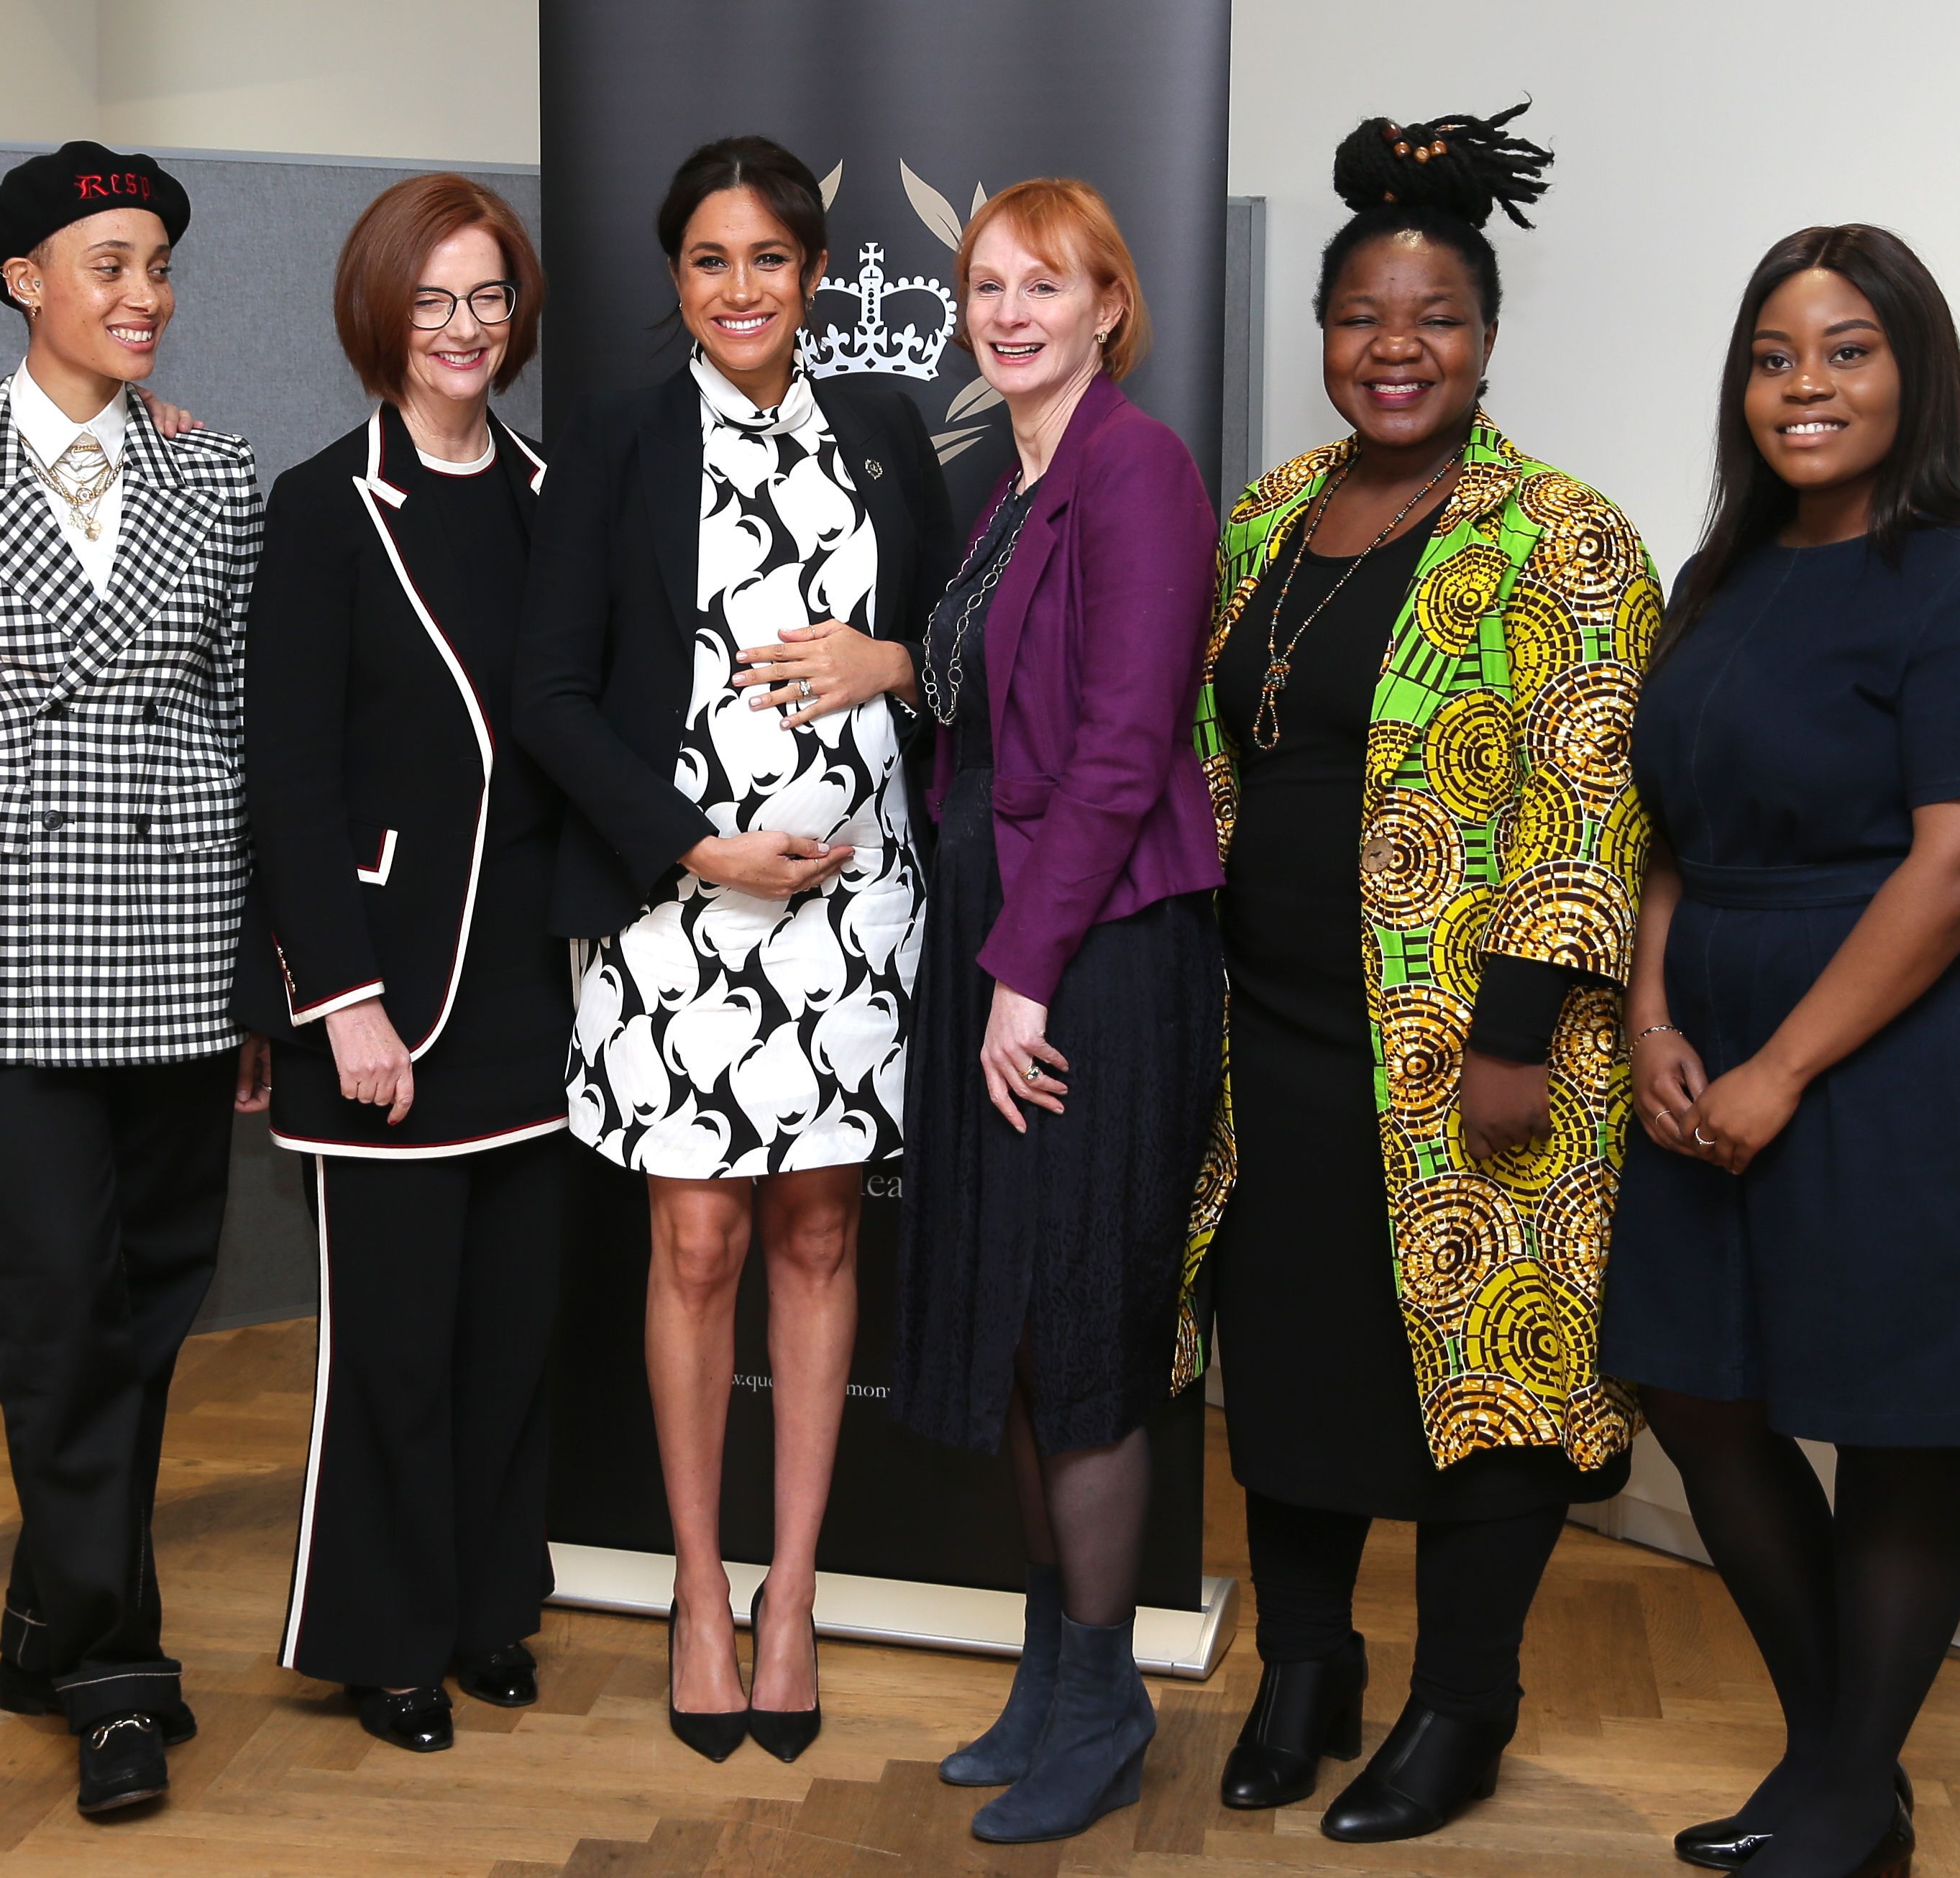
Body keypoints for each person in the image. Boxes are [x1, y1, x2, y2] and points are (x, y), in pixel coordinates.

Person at [1187, 106, 1656, 1843]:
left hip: (1469, 1044)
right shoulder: (1268, 514)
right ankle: (1307, 1668)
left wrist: (1520, 1029)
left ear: (1486, 338)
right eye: (1365, 318)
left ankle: (1466, 1699)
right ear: (1324, 334)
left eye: (1437, 317)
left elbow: (1591, 783)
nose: (1397, 349)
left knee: (1486, 1366)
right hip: (1270, 1030)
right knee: (1293, 1361)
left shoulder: (1565, 533)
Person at [1605, 226, 1960, 1878]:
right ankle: (1840, 1768)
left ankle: (1838, 1789)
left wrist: (1783, 1067)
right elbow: (1667, 834)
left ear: (1915, 370)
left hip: (1893, 1038)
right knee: (1698, 1388)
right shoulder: (1724, 576)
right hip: (1710, 1005)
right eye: (1772, 355)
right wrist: (1658, 1019)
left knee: (1888, 1417)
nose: (1804, 385)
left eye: (1847, 349)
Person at [514, 134, 952, 1763]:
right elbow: (549, 695)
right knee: (696, 1248)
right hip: (678, 906)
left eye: (771, 257)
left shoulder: (891, 434)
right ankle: (702, 1587)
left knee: (822, 1239)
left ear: (819, 273)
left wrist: (893, 651)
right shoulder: (617, 443)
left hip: (855, 907)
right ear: (676, 281)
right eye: (711, 260)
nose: (742, 287)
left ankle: (795, 1593)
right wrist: (694, 844)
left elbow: (962, 644)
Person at [0, 141, 262, 1816]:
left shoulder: (223, 478)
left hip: (184, 941)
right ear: (21, 278)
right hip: (8, 945)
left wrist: (269, 973)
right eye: (106, 262)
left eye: (160, 265)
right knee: (55, 1315)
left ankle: (49, 1616)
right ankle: (119, 1674)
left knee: (154, 1301)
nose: (145, 296)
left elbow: (254, 729)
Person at [887, 178, 1224, 1846]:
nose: (1010, 310)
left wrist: (1025, 972)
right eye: (987, 284)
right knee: (1018, 1327)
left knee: (1083, 1332)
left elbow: (1117, 747)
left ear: (1111, 304)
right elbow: (965, 726)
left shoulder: (1137, 469)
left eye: (1047, 283)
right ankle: (1048, 1674)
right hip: (997, 938)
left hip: (1091, 959)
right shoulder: (1005, 485)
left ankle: (1107, 1702)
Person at [234, 174, 569, 1758]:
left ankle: (481, 1606)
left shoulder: (550, 496)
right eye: (433, 300)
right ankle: (380, 1638)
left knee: (508, 1340)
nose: (463, 328)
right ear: (382, 312)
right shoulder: (320, 503)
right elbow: (285, 775)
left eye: (487, 296)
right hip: (387, 1000)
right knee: (394, 1353)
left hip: (534, 992)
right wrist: (340, 997)